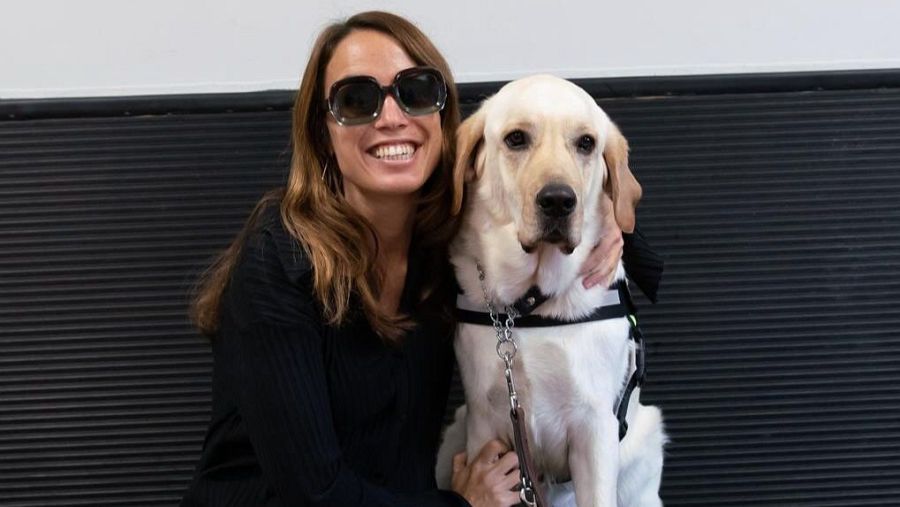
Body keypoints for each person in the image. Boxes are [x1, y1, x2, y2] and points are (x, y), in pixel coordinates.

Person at [180, 10, 660, 507]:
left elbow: (562, 178)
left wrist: (604, 211)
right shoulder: (278, 266)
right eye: (357, 100)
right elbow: (315, 494)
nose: (391, 118)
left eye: (415, 92)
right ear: (323, 132)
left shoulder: (443, 243)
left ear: (442, 120)